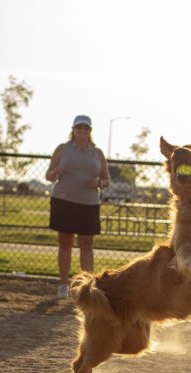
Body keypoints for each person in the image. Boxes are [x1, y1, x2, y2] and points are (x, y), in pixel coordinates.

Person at [45, 115, 111, 298]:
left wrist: (98, 182)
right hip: (64, 201)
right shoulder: (63, 149)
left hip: (88, 204)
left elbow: (107, 180)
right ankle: (63, 285)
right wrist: (57, 170)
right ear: (73, 129)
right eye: (79, 127)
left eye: (86, 128)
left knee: (87, 243)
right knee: (65, 243)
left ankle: (86, 285)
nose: (82, 131)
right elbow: (48, 176)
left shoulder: (97, 153)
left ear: (90, 131)